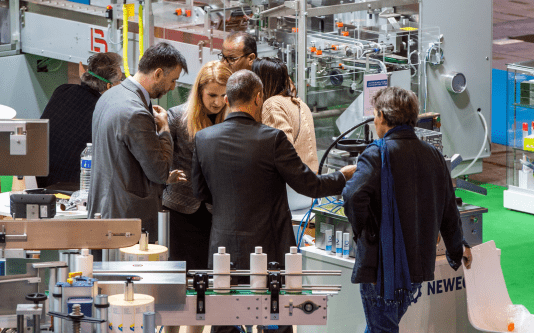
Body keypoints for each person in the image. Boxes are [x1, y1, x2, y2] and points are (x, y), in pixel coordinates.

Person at [192, 69, 356, 333]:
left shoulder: (204, 138)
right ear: (258, 98)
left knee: (224, 321)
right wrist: (343, 175)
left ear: (226, 101)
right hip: (269, 249)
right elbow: (310, 185)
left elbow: (199, 191)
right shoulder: (272, 140)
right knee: (275, 319)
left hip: (223, 248)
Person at [341, 87, 473, 333]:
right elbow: (448, 211)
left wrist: (366, 233)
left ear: (382, 116)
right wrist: (458, 249)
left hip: (382, 267)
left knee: (382, 328)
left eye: (375, 114)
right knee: (382, 326)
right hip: (415, 266)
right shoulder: (433, 154)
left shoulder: (377, 153)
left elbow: (352, 195)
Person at [87, 42, 187, 242]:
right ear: (158, 73)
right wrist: (165, 129)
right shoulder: (136, 112)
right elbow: (159, 172)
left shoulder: (110, 94)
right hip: (124, 220)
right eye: (173, 80)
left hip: (103, 209)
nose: (173, 87)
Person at [163, 61, 231, 267]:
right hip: (180, 207)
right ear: (200, 91)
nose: (218, 102)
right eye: (212, 95)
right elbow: (160, 158)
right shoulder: (176, 117)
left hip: (217, 210)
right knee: (181, 270)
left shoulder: (232, 121)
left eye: (223, 96)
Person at [36, 52, 123, 189]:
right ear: (108, 87)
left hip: (39, 181)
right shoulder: (104, 112)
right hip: (73, 189)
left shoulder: (62, 90)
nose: (121, 85)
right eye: (119, 81)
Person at [253, 57, 318, 172]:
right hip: (308, 181)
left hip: (289, 184)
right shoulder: (300, 103)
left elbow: (281, 150)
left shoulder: (272, 104)